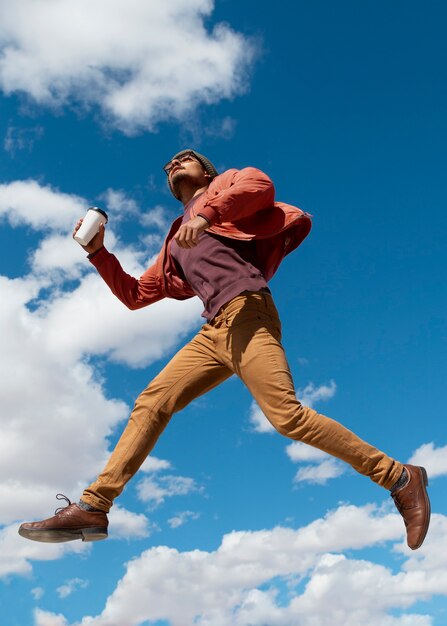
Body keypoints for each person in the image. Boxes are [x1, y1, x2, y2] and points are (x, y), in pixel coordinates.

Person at [18, 149, 431, 550]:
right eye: (167, 166)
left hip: (248, 311)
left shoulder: (228, 186)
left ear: (207, 171)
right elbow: (135, 294)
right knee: (152, 402)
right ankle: (94, 506)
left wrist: (207, 213)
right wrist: (98, 253)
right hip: (213, 332)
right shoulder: (174, 240)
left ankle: (399, 477)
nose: (173, 164)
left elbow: (261, 186)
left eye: (185, 158)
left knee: (287, 416)